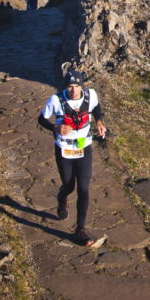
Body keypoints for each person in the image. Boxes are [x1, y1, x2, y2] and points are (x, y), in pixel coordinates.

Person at [37, 70, 107, 246]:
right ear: (65, 87)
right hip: (64, 149)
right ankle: (62, 197)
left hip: (84, 146)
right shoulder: (56, 100)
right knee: (69, 185)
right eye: (70, 87)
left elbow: (96, 108)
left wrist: (99, 121)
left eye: (77, 86)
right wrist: (55, 128)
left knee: (84, 188)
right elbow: (41, 119)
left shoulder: (90, 95)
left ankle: (80, 229)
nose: (73, 90)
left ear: (82, 86)